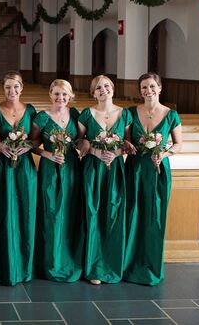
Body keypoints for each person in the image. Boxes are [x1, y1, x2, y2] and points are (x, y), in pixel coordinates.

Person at [124, 73, 182, 285]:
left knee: (155, 216)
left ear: (159, 88)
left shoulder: (171, 115)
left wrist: (164, 153)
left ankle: (151, 264)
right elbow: (126, 141)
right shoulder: (131, 112)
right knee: (133, 213)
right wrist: (125, 145)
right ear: (140, 91)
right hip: (135, 168)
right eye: (143, 87)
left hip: (158, 170)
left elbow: (178, 144)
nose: (148, 91)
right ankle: (129, 263)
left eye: (151, 86)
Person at [77, 75, 133, 285]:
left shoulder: (124, 114)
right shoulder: (87, 114)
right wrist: (93, 150)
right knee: (93, 214)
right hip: (93, 168)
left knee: (113, 215)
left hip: (115, 170)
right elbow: (79, 141)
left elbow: (128, 142)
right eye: (98, 87)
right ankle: (94, 268)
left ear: (113, 89)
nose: (103, 90)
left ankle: (111, 265)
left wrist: (118, 152)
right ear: (93, 92)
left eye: (107, 86)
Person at [0, 71, 37, 285]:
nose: (12, 91)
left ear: (21, 88)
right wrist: (1, 146)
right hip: (2, 166)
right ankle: (5, 266)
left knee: (25, 213)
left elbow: (37, 138)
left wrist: (26, 146)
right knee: (4, 213)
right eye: (7, 87)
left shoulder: (31, 110)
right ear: (3, 89)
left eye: (15, 87)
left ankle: (25, 265)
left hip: (25, 167)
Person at [32, 79, 84, 282]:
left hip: (72, 168)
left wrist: (85, 145)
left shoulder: (76, 115)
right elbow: (33, 144)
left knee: (70, 212)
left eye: (64, 94)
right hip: (50, 169)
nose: (60, 98)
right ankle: (50, 262)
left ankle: (69, 259)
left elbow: (80, 140)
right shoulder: (42, 117)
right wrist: (47, 155)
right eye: (56, 94)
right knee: (51, 213)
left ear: (70, 96)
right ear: (50, 95)